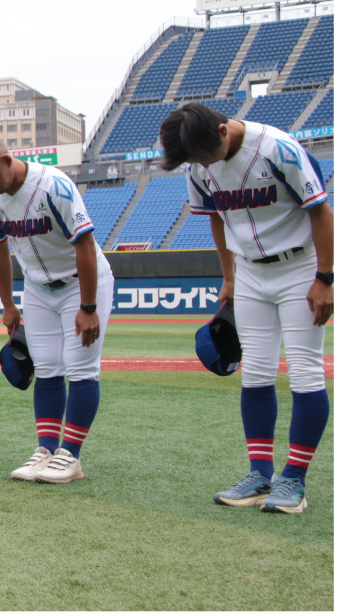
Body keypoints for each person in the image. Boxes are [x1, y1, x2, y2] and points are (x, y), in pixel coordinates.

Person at [160, 103, 333, 514]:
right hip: (250, 270)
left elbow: (321, 211)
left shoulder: (278, 149)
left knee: (305, 371)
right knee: (254, 372)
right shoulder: (198, 164)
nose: (202, 165)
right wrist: (230, 276)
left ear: (223, 131)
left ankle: (294, 478)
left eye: (205, 156)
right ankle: (260, 473)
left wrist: (325, 278)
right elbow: (216, 218)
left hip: (300, 265)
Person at [0, 133, 113, 484]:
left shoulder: (53, 186)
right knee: (46, 367)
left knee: (80, 367)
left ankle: (70, 455)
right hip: (36, 286)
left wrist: (88, 306)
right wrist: (8, 304)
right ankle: (46, 449)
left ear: (7, 160)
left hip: (80, 282)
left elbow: (85, 244)